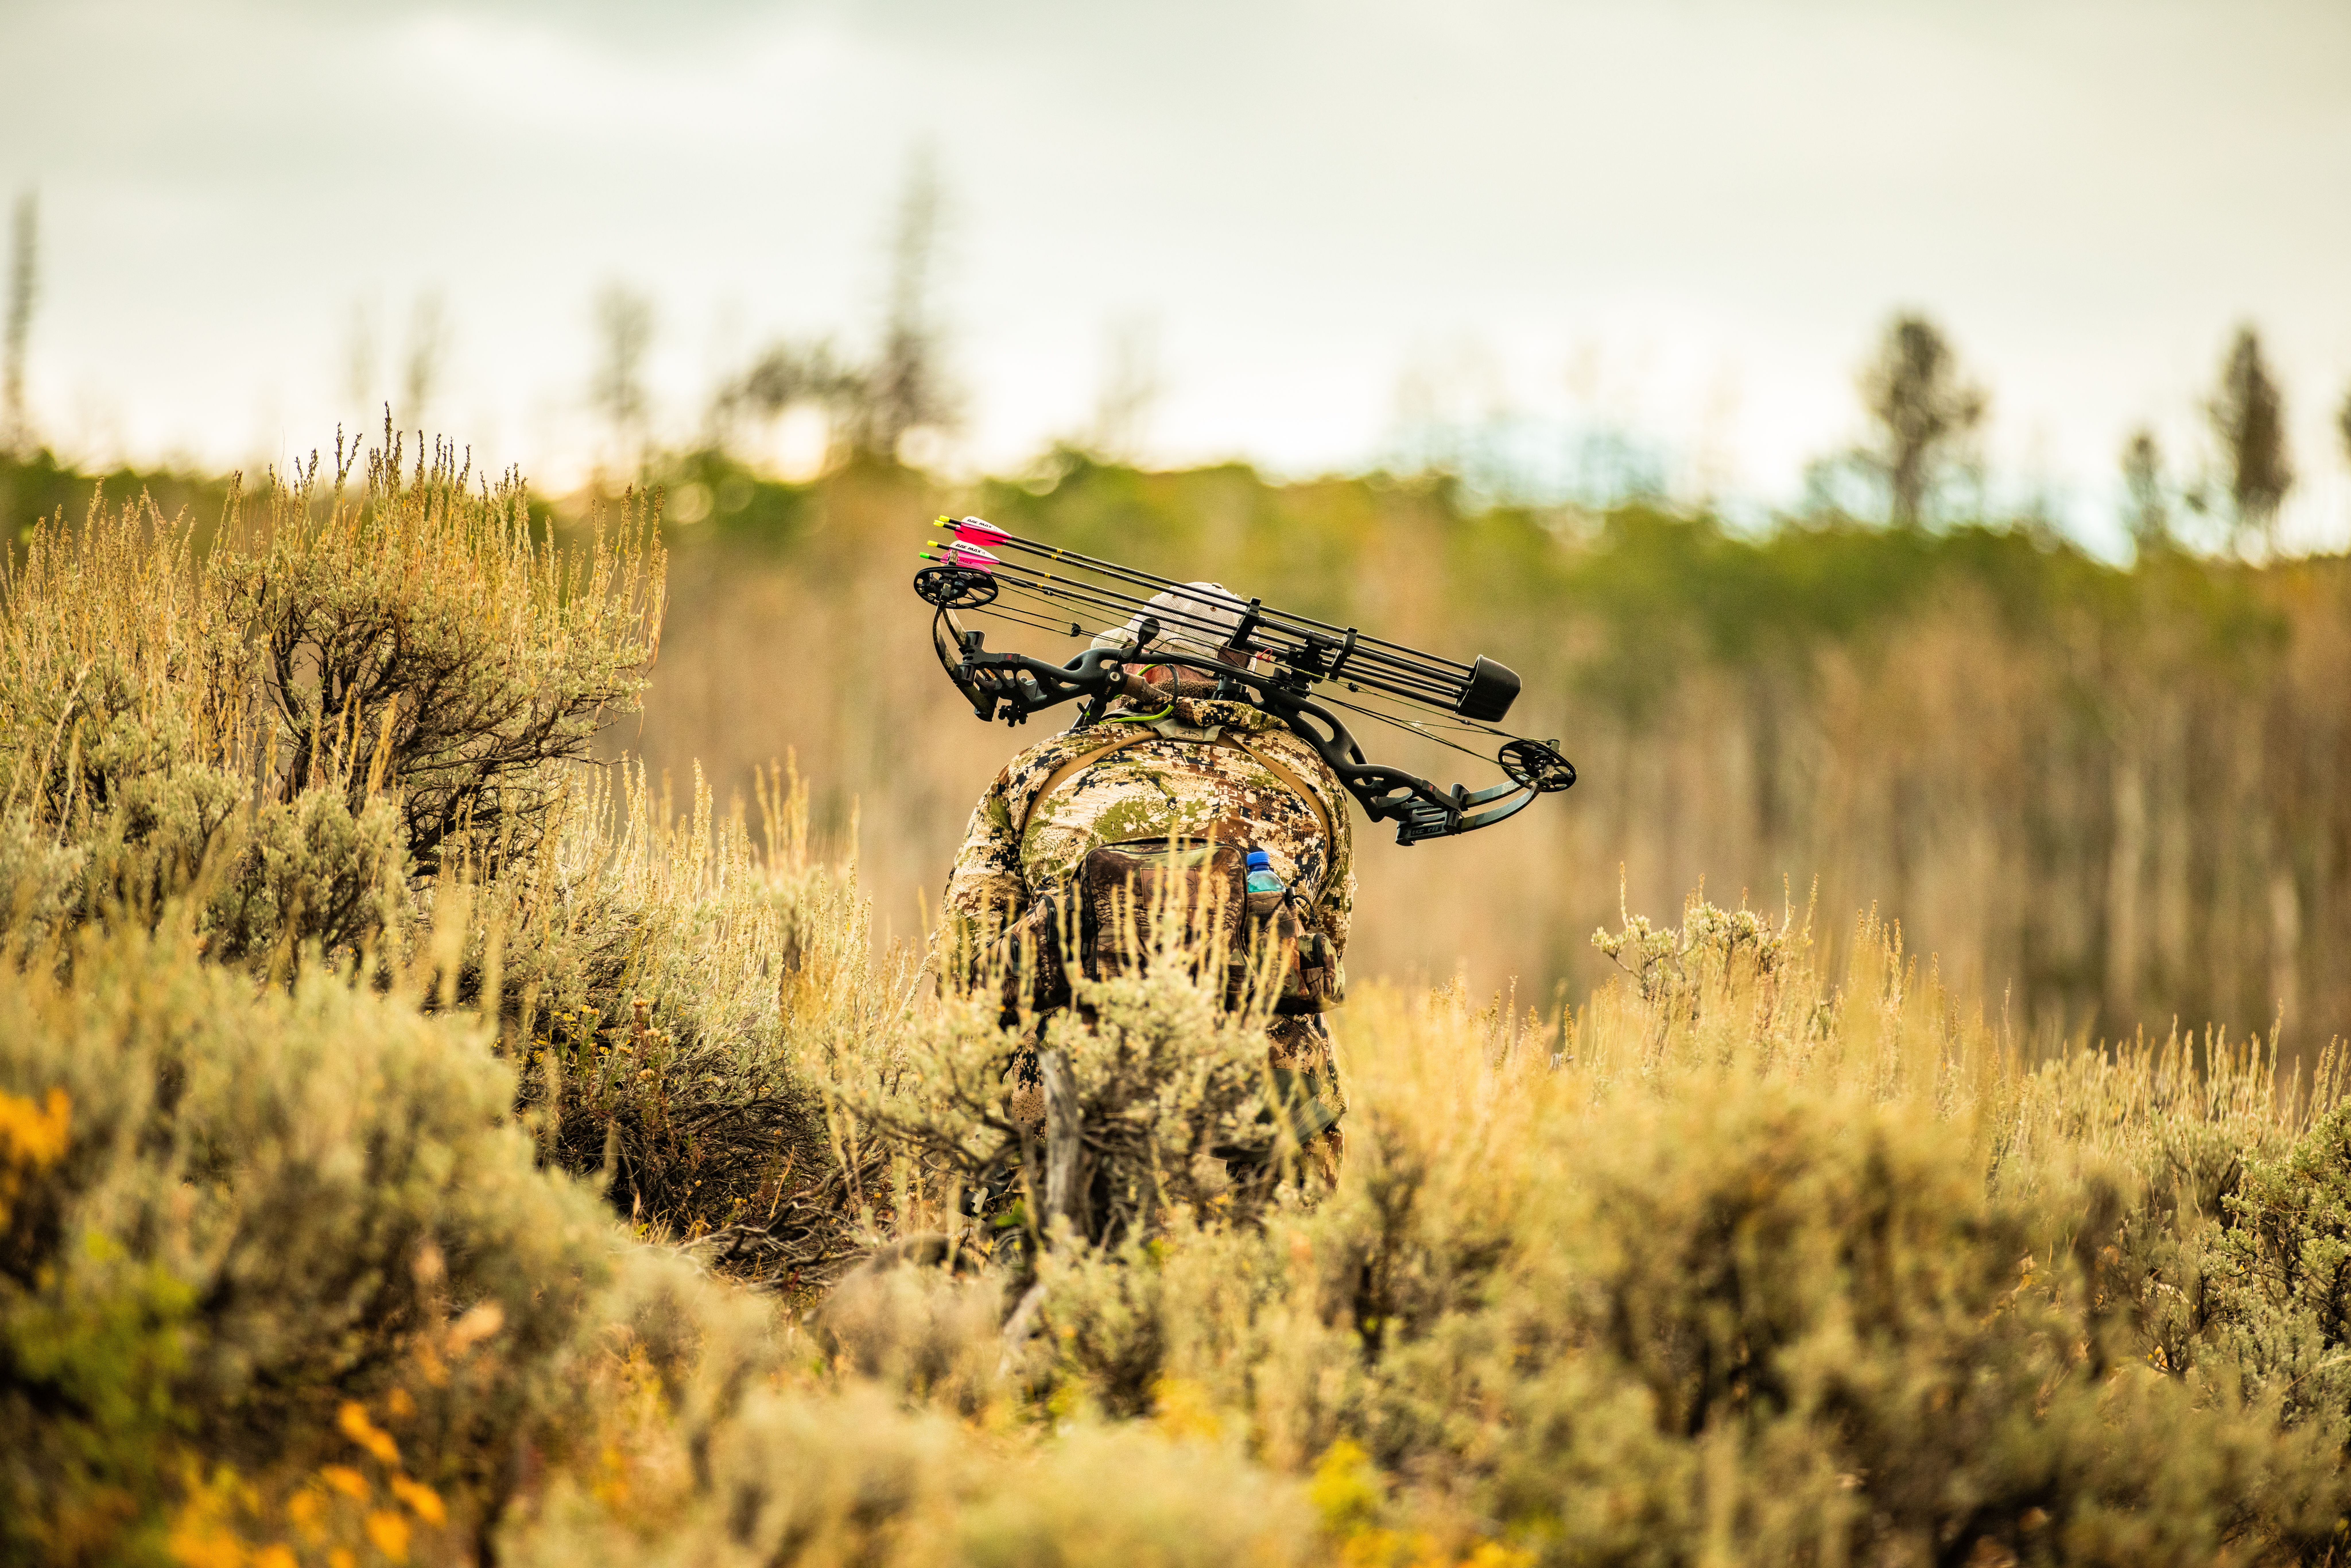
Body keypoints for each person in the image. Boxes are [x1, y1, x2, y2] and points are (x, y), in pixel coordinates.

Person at [940, 582, 1354, 1188]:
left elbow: (963, 969)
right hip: (1267, 1094)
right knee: (1281, 1270)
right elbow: (1328, 949)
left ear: (1133, 662)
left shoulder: (1038, 771)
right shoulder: (1313, 781)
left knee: (1039, 1261)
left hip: (1065, 1094)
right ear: (1254, 671)